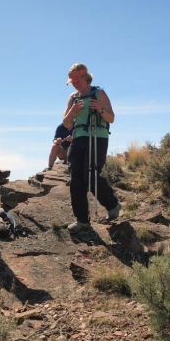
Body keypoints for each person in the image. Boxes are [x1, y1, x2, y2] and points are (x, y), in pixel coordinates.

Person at [62, 63, 120, 233]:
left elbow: (111, 118)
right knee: (76, 179)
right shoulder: (73, 98)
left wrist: (100, 109)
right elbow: (66, 124)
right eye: (71, 81)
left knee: (90, 175)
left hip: (97, 137)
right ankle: (82, 220)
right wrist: (72, 112)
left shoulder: (98, 93)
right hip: (78, 138)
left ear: (85, 78)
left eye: (76, 80)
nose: (73, 83)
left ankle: (112, 205)